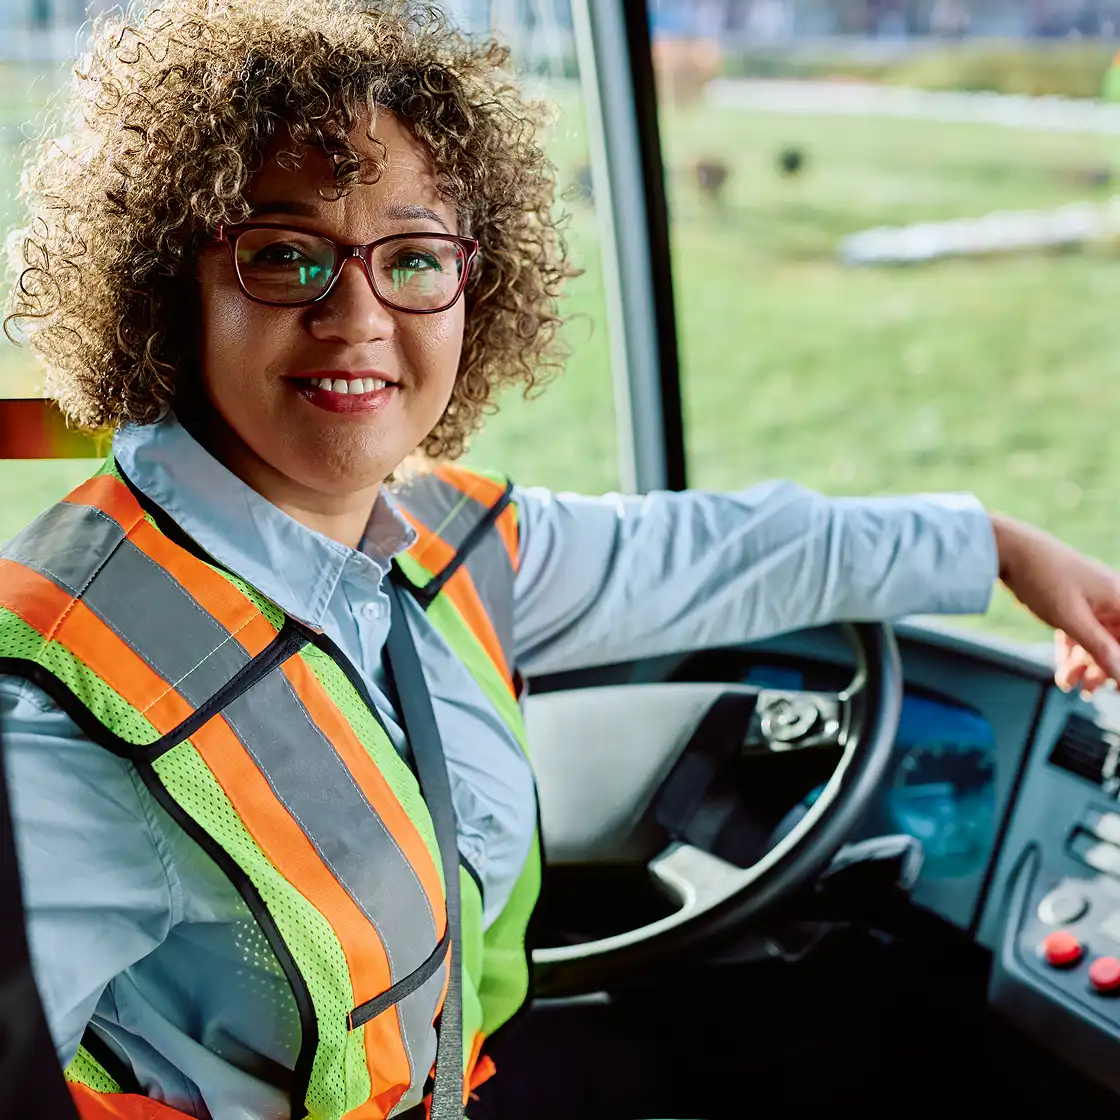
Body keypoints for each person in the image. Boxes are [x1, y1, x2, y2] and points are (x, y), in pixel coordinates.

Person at [0, 2, 1117, 1118]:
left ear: (471, 289)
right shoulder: (54, 702)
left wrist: (999, 547)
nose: (358, 315)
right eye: (283, 255)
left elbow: (715, 554)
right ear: (165, 283)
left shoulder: (433, 534)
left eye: (415, 256)